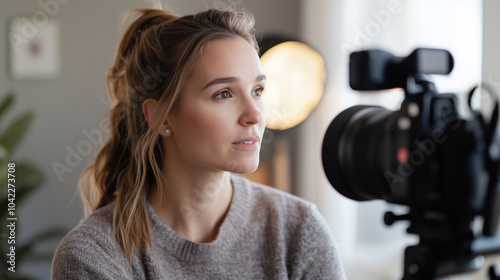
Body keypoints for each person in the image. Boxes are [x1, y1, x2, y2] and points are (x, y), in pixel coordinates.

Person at [51, 7, 347, 280]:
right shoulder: (93, 256)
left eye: (258, 90)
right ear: (161, 116)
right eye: (224, 94)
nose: (255, 114)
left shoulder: (299, 230)